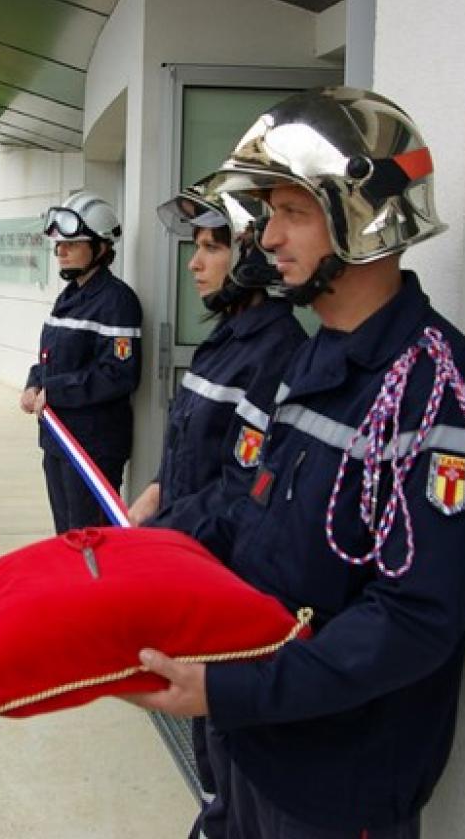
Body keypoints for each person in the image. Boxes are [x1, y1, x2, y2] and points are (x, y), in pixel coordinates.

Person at [128, 88, 465, 839]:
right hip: (255, 743)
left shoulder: (437, 391)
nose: (266, 239)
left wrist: (234, 689)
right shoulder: (312, 357)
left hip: (337, 783)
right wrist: (149, 553)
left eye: (292, 212)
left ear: (360, 218)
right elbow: (250, 510)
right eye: (269, 213)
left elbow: (412, 620)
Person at [128, 177, 306, 839]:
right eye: (195, 247)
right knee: (212, 752)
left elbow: (241, 488)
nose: (195, 262)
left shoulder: (277, 352)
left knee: (231, 749)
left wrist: (157, 539)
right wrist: (153, 493)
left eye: (211, 247)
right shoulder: (228, 340)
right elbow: (189, 449)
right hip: (195, 570)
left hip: (230, 587)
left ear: (253, 254)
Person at [20, 190, 142, 534]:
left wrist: (53, 390)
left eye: (71, 245)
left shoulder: (117, 301)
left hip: (93, 445)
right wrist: (34, 382)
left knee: (92, 540)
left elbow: (119, 374)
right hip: (59, 439)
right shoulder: (71, 295)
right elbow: (52, 357)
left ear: (100, 248)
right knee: (67, 537)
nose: (61, 251)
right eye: (59, 245)